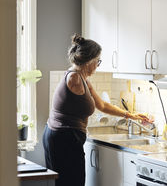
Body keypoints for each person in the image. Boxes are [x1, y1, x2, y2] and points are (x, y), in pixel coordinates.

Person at [43, 33, 150, 186]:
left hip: (64, 136)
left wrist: (130, 115)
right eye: (98, 61)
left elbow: (103, 105)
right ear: (89, 61)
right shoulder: (74, 79)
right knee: (71, 183)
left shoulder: (82, 78)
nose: (98, 66)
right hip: (63, 138)